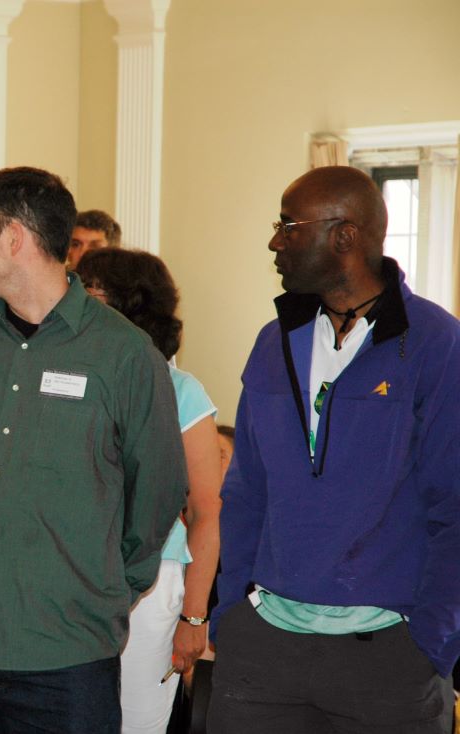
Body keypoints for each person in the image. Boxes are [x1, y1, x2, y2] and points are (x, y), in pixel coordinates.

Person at [0, 167, 187, 733]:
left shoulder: (125, 356)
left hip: (66, 660)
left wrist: (99, 588)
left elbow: (157, 495)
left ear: (15, 239)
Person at [209, 165, 460, 733]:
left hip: (388, 656)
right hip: (264, 652)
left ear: (345, 235)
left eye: (288, 225)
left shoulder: (436, 344)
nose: (275, 240)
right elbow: (246, 490)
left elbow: (456, 505)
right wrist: (231, 616)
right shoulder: (274, 341)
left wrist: (431, 641)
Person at [76, 248, 222, 734]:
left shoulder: (179, 390)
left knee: (135, 724)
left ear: (134, 307)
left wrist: (195, 619)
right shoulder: (62, 381)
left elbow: (206, 511)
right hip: (66, 578)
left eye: (91, 293)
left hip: (151, 583)